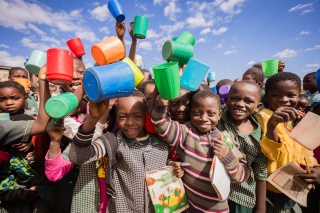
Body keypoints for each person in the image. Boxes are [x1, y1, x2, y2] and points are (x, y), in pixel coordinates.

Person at [68, 90, 170, 212]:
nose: (130, 122)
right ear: (116, 116)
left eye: (137, 116)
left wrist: (173, 167)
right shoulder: (113, 141)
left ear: (146, 115)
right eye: (123, 116)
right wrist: (92, 119)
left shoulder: (163, 143)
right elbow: (78, 157)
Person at [152, 89, 249, 212]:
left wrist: (228, 157)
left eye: (211, 113)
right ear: (190, 112)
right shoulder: (185, 132)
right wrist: (161, 104)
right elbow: (160, 123)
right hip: (191, 207)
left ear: (219, 114)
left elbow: (242, 176)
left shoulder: (225, 140)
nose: (203, 118)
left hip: (218, 209)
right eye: (197, 113)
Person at [255, 72, 318, 212]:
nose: (283, 100)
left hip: (294, 187)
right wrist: (272, 126)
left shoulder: (294, 120)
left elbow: (305, 149)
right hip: (272, 191)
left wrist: (316, 168)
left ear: (299, 96)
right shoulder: (264, 117)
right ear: (267, 97)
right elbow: (272, 153)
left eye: (291, 95)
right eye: (276, 95)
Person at [216, 80, 267, 212]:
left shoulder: (260, 133)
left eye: (248, 101)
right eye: (234, 98)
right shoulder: (216, 120)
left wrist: (261, 206)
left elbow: (260, 171)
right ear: (226, 101)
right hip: (213, 192)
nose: (240, 104)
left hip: (242, 196)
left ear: (258, 106)